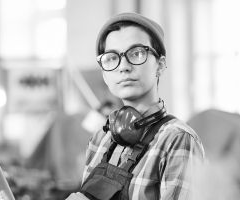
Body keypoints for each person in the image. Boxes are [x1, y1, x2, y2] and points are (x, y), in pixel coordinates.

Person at [67, 12, 205, 200]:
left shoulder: (176, 140)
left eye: (137, 53)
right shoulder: (100, 139)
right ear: (105, 74)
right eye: (112, 57)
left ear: (160, 64)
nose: (123, 66)